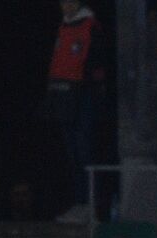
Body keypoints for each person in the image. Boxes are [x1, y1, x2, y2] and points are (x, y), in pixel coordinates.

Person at [47, 0, 110, 215]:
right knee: (72, 153)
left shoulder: (91, 26)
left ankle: (90, 203)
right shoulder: (63, 27)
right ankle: (79, 201)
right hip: (64, 97)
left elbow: (97, 62)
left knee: (85, 152)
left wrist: (90, 88)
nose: (66, 6)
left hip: (83, 96)